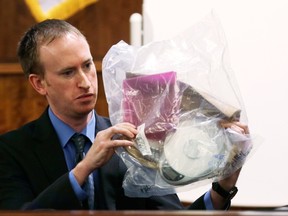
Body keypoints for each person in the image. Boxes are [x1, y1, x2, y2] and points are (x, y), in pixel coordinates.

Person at [0, 19, 249, 210]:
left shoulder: (134, 142)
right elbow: (20, 213)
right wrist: (84, 168)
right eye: (68, 73)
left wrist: (222, 189)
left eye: (87, 65)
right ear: (39, 84)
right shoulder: (11, 150)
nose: (86, 82)